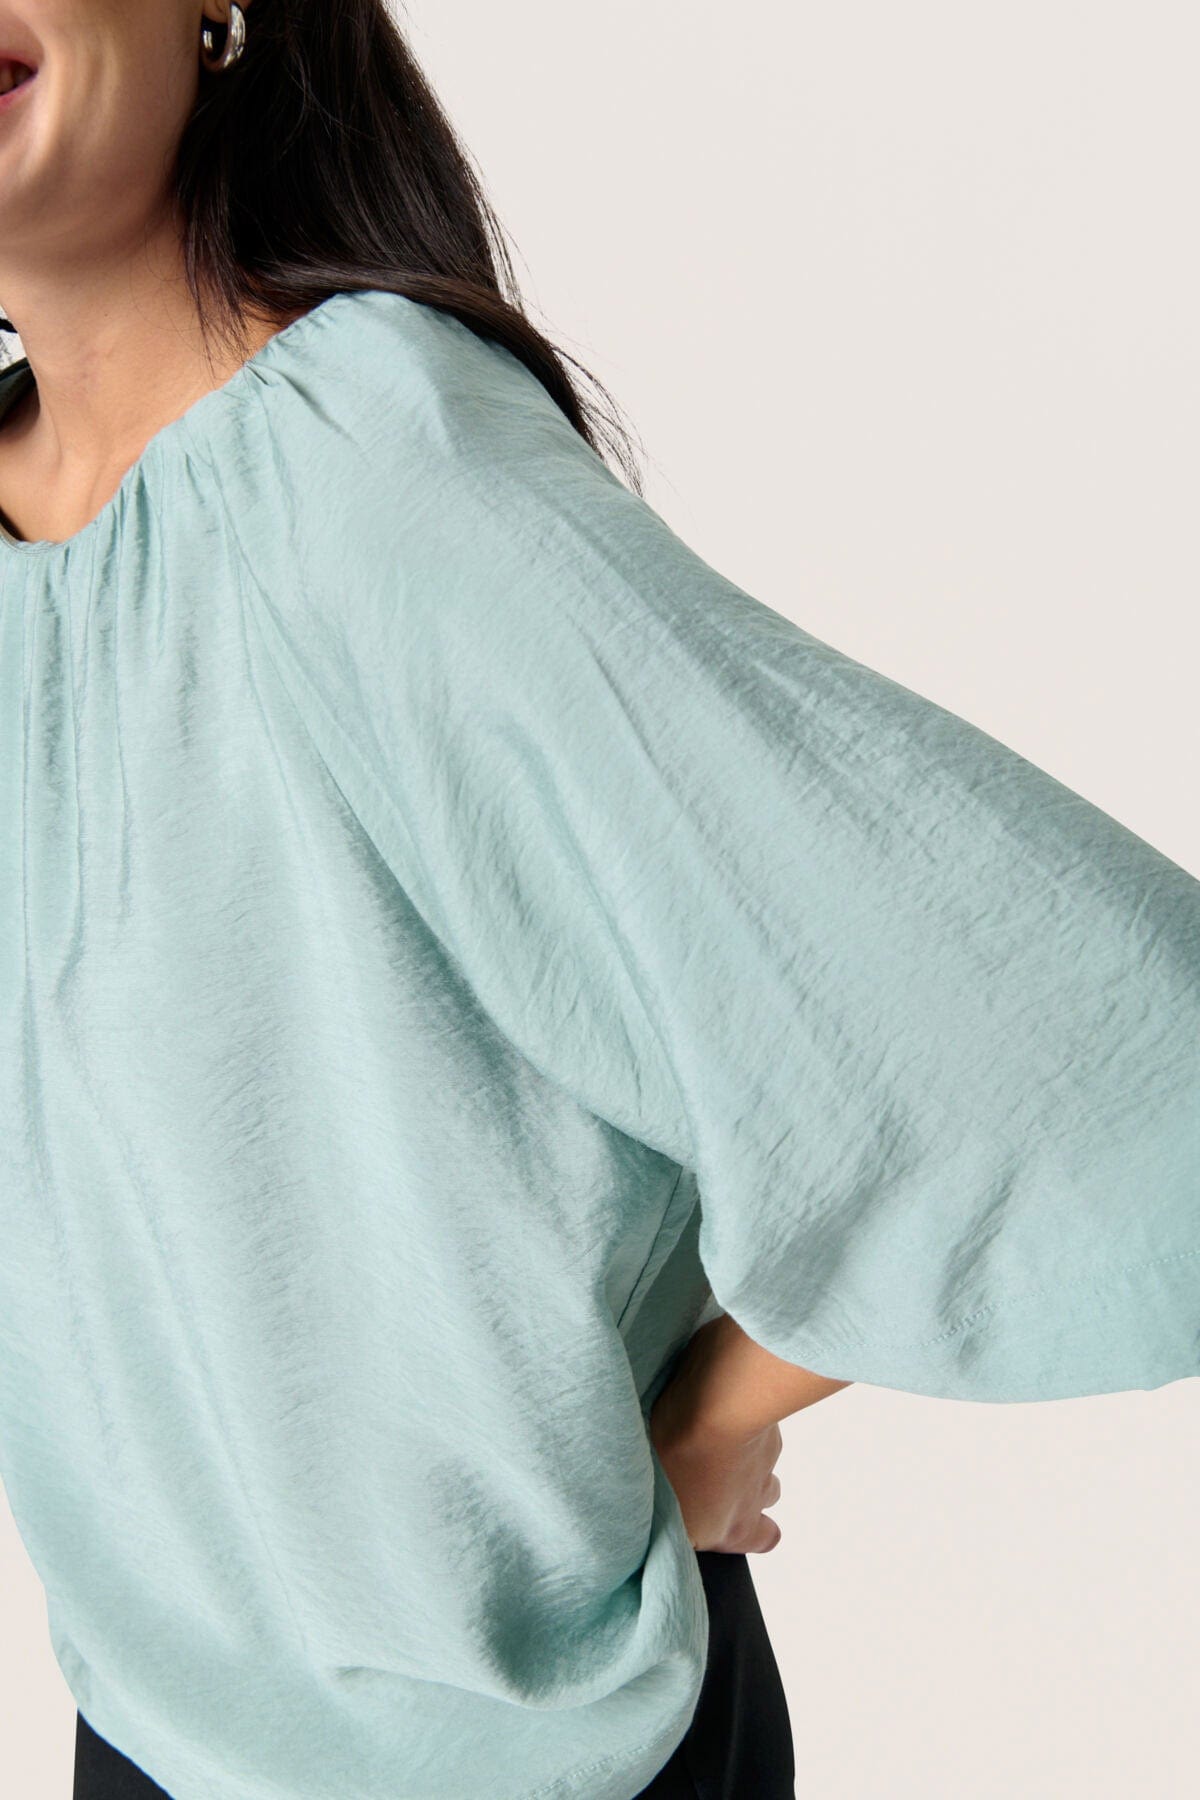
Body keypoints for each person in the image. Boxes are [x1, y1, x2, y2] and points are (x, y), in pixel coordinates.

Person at [0, 4, 1195, 1799]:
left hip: (534, 1744)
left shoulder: (373, 466)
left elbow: (1091, 1042)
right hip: (151, 1721)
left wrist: (705, 1414)